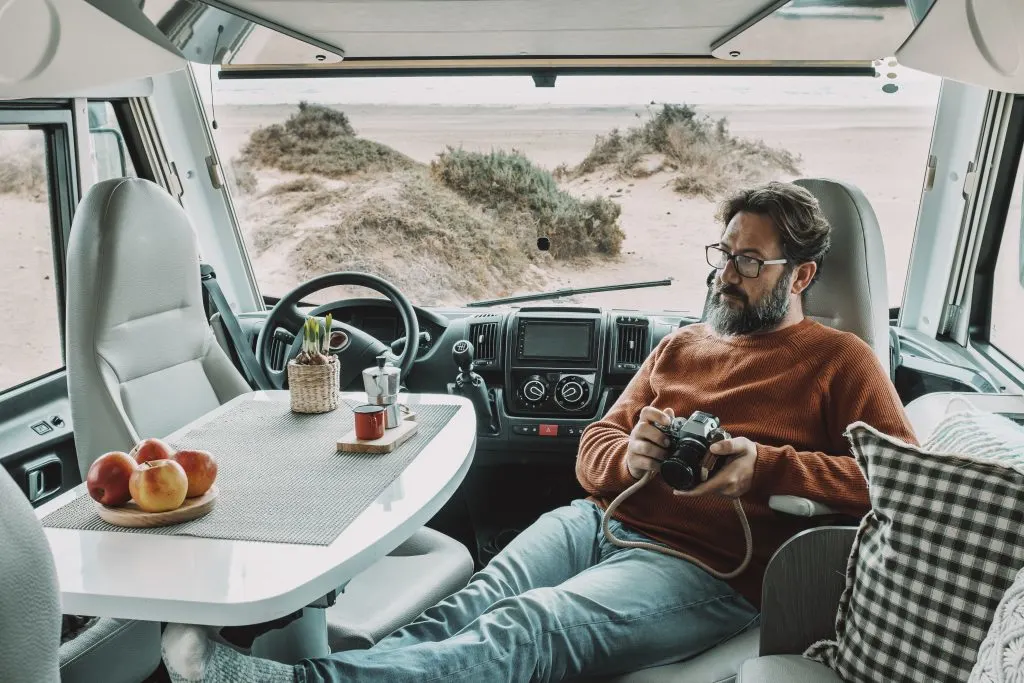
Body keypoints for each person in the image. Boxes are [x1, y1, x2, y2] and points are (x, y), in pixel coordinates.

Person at [161, 181, 917, 683]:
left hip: (709, 569)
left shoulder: (839, 361)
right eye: (724, 253)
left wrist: (766, 467)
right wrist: (633, 455)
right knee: (473, 599)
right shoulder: (683, 343)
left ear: (802, 275)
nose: (726, 273)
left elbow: (905, 482)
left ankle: (290, 680)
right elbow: (594, 452)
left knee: (533, 624)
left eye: (750, 261)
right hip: (600, 521)